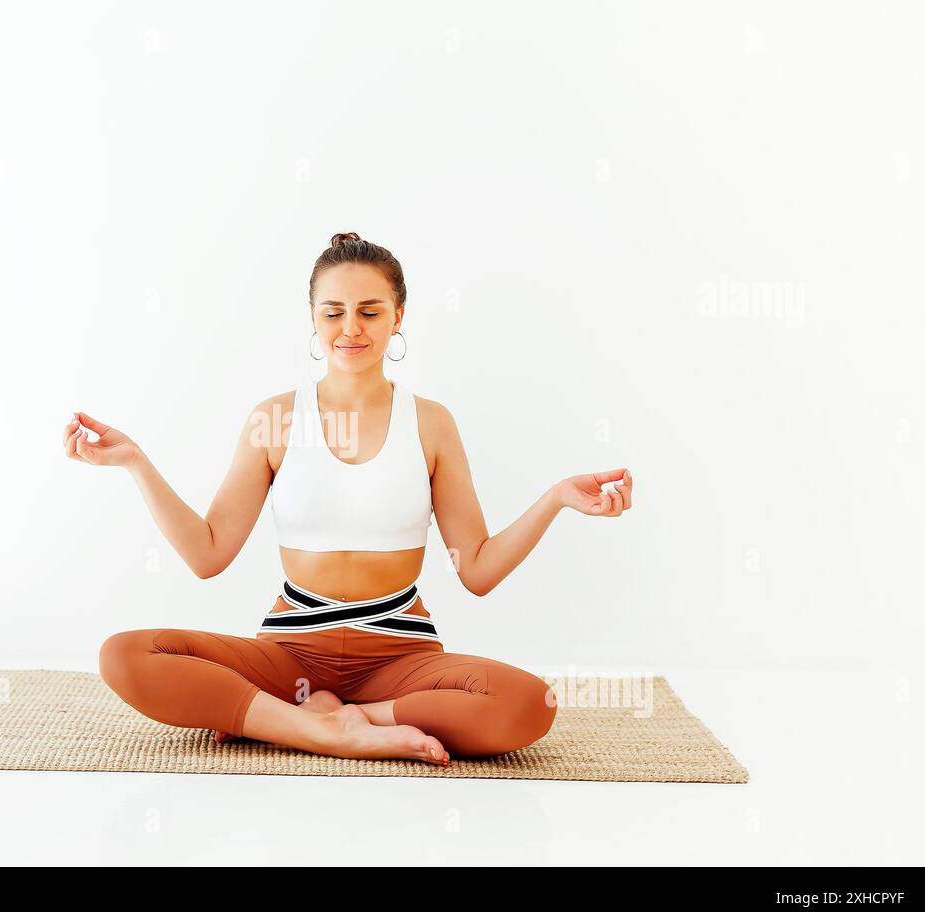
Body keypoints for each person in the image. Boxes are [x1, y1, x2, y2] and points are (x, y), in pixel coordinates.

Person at [64, 232, 633, 766]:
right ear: (313, 318)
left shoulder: (431, 423)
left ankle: (345, 719)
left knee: (528, 703)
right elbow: (207, 554)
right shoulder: (276, 419)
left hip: (399, 659)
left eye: (370, 311)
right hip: (289, 657)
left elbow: (477, 570)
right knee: (123, 655)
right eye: (332, 312)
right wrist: (136, 463)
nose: (350, 329)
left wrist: (556, 499)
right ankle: (319, 728)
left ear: (398, 317)